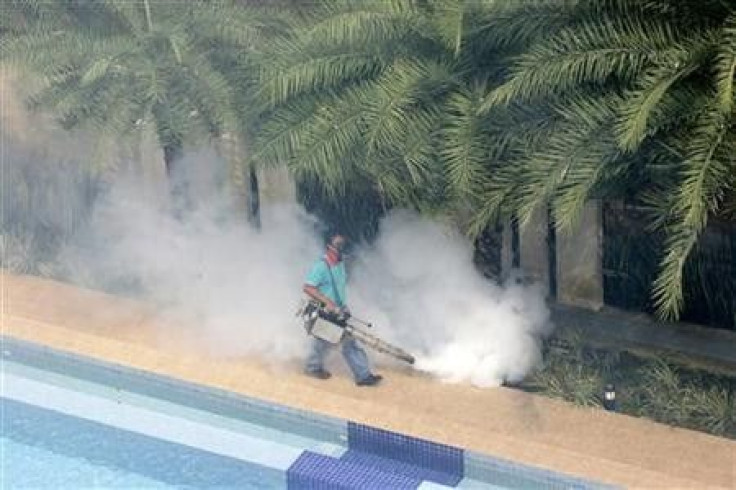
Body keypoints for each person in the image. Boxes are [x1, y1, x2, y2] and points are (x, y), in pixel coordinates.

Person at [302, 231, 383, 387]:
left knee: (326, 341)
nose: (342, 248)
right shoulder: (321, 267)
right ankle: (363, 376)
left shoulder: (340, 265)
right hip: (325, 312)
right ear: (329, 247)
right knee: (344, 341)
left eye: (343, 244)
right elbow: (308, 288)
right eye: (338, 245)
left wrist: (343, 306)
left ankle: (313, 367)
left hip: (337, 311)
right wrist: (329, 304)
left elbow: (339, 289)